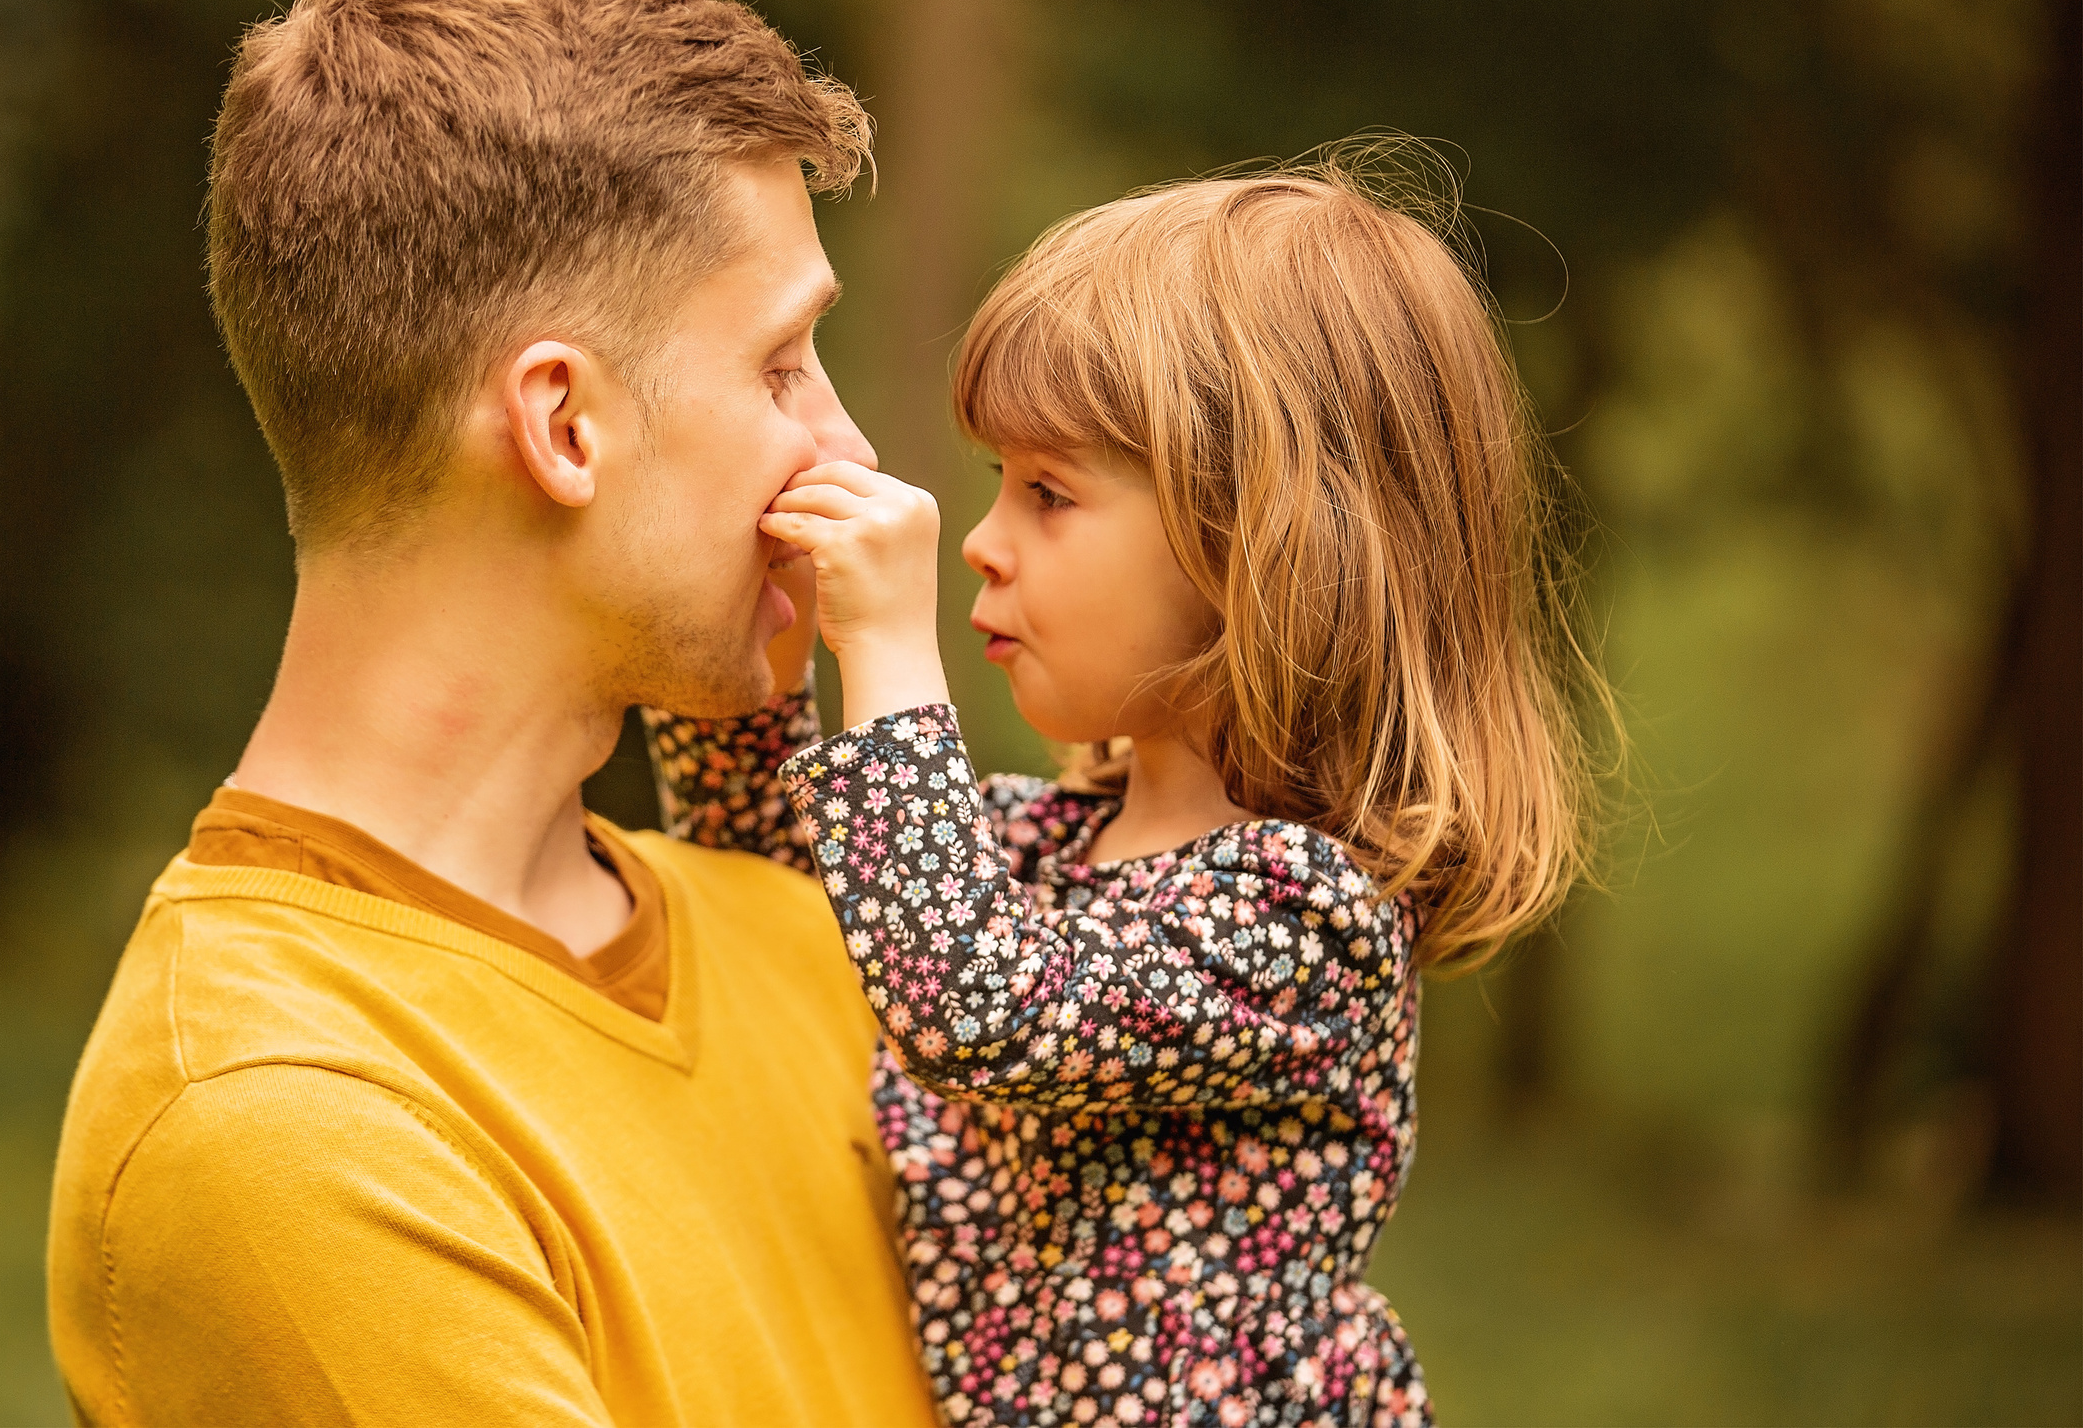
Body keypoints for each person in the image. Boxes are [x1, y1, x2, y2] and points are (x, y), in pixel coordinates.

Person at [45, 0, 936, 1427]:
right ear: (564, 425)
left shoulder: (802, 938)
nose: (846, 452)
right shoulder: (286, 1117)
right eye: (783, 364)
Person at [643, 148, 1609, 1427]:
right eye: (999, 482)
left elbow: (977, 1008)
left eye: (1049, 493)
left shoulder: (1302, 922)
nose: (981, 540)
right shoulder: (1046, 845)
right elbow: (768, 870)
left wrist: (888, 649)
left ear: (1258, 549)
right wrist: (767, 644)